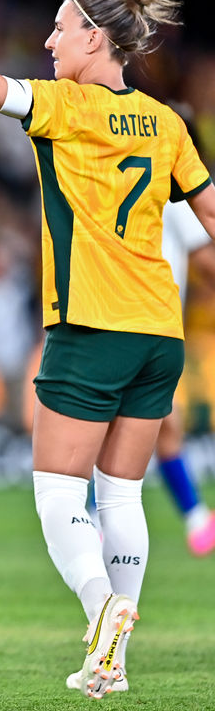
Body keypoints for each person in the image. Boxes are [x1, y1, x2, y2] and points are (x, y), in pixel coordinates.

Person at [0, 0, 211, 698]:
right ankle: (112, 659)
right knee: (121, 497)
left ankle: (103, 611)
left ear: (95, 38)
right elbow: (213, 222)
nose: (48, 40)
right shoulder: (168, 124)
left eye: (60, 29)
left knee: (58, 495)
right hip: (159, 332)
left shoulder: (62, 106)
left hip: (91, 325)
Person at [157, 197, 215, 555]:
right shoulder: (170, 182)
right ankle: (91, 518)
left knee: (164, 424)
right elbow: (204, 259)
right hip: (154, 322)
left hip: (112, 318)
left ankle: (197, 519)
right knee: (152, 421)